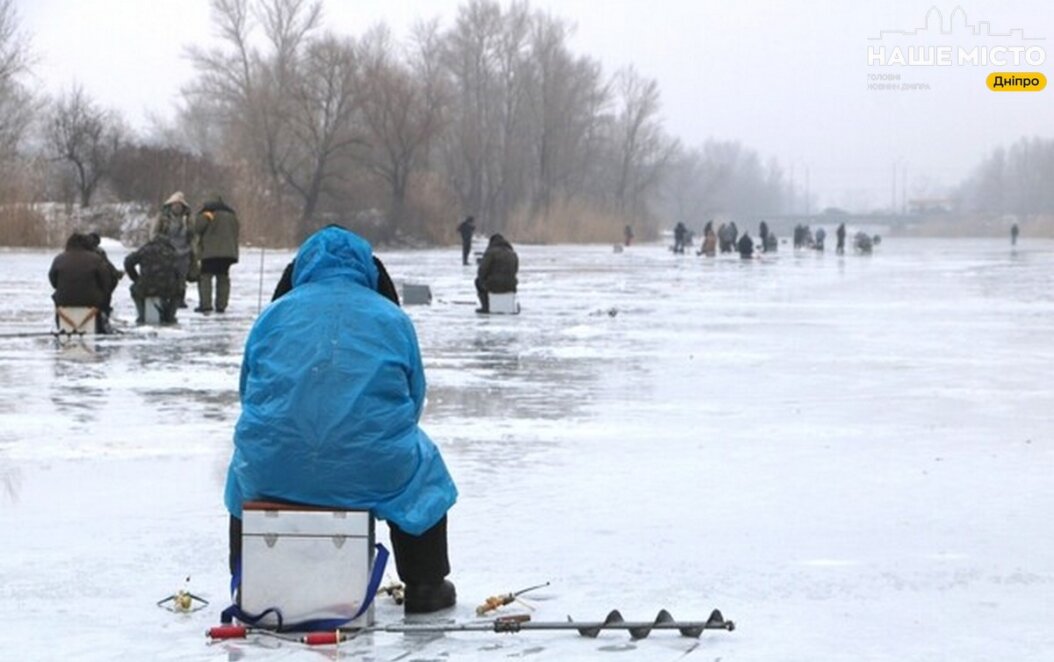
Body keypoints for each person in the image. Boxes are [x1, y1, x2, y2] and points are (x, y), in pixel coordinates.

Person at [224, 226, 458, 614]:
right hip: (373, 465)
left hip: (275, 467)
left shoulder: (272, 316)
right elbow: (413, 399)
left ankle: (247, 579)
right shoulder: (393, 318)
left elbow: (249, 393)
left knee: (244, 471)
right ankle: (426, 585)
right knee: (423, 470)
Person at [48, 232, 117, 333]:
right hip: (91, 301)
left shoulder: (59, 258)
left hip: (64, 300)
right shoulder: (96, 259)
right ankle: (100, 323)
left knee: (57, 298)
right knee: (103, 298)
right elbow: (106, 282)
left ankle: (61, 325)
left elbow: (53, 281)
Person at [192, 194, 240, 313]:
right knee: (223, 278)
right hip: (228, 253)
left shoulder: (208, 214)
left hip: (210, 252)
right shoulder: (232, 215)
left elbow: (197, 228)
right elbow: (237, 230)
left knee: (205, 278)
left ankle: (206, 305)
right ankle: (221, 305)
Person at [124, 235, 183, 324]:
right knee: (179, 292)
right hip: (167, 288)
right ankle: (170, 316)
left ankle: (142, 316)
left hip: (145, 286)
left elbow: (128, 262)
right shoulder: (172, 252)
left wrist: (135, 278)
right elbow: (179, 272)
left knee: (134, 290)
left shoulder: (144, 250)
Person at [150, 191, 194, 307]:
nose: (177, 207)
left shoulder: (188, 218)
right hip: (166, 253)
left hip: (184, 253)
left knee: (181, 278)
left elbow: (193, 234)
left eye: (180, 205)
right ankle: (167, 298)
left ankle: (180, 300)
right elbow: (153, 234)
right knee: (166, 277)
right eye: (175, 205)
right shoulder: (162, 217)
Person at [475, 233, 518, 313]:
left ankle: (486, 306)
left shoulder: (490, 252)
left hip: (493, 285)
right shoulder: (513, 253)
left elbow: (482, 270)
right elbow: (515, 270)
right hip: (510, 285)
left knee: (477, 282)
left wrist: (483, 280)